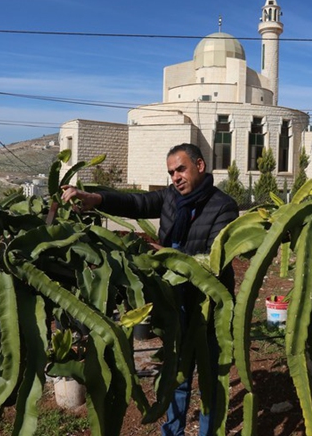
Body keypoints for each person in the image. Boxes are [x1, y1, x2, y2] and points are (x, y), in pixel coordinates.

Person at [61, 143, 238, 436]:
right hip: (174, 302)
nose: (175, 177)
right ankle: (173, 431)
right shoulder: (170, 198)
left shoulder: (224, 206)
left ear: (200, 166)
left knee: (211, 377)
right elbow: (137, 203)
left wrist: (165, 254)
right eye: (171, 172)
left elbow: (215, 261)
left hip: (209, 308)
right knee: (176, 374)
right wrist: (96, 198)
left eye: (181, 169)